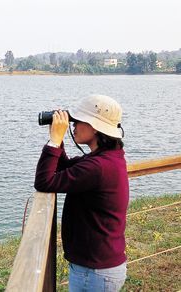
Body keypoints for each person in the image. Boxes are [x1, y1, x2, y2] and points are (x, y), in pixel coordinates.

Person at [34, 94, 129, 291]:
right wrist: (57, 139)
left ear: (94, 127)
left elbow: (44, 181)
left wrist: (54, 141)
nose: (73, 126)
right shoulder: (108, 159)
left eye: (77, 121)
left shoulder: (98, 167)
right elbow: (65, 168)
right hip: (98, 267)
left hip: (95, 272)